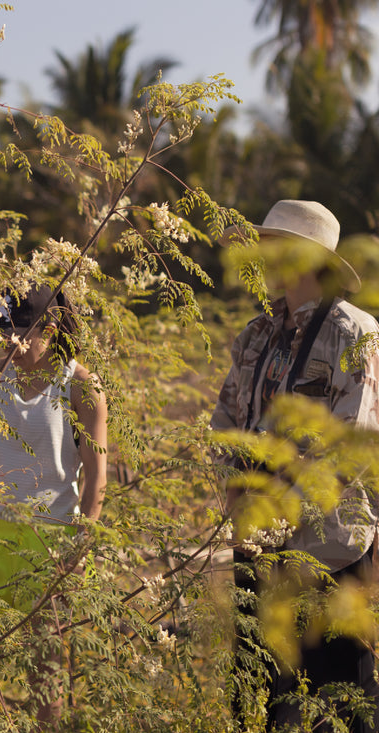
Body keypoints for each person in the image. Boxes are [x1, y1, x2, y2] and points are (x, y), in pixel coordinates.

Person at [211, 200, 379, 732]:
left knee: (336, 706)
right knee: (257, 700)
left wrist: (284, 510)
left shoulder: (356, 333)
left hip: (328, 551)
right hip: (256, 546)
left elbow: (350, 445)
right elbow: (224, 428)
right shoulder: (255, 336)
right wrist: (237, 499)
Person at [0, 281, 107, 723]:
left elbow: (96, 482)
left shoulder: (80, 388)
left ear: (50, 327)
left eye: (21, 331)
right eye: (5, 331)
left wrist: (77, 553)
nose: (11, 342)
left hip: (47, 548)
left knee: (46, 679)